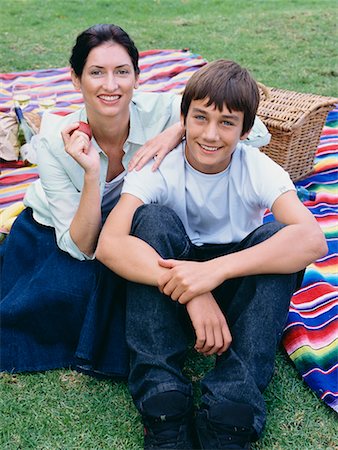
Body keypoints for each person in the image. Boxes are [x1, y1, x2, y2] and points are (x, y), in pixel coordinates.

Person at [96, 60, 327, 449]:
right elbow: (110, 244)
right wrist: (194, 289)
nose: (210, 134)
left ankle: (231, 408)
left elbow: (313, 241)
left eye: (226, 123)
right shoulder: (158, 167)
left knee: (278, 236)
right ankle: (162, 400)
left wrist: (215, 272)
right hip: (168, 297)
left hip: (236, 296)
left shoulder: (257, 167)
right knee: (150, 220)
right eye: (200, 118)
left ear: (246, 131)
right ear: (182, 118)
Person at [0, 23, 187, 378]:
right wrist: (90, 173)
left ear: (137, 76)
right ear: (75, 79)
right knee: (69, 293)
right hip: (59, 232)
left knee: (132, 280)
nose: (111, 85)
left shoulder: (164, 110)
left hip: (127, 228)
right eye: (96, 73)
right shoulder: (55, 140)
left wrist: (178, 130)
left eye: (122, 72)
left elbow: (254, 129)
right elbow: (81, 246)